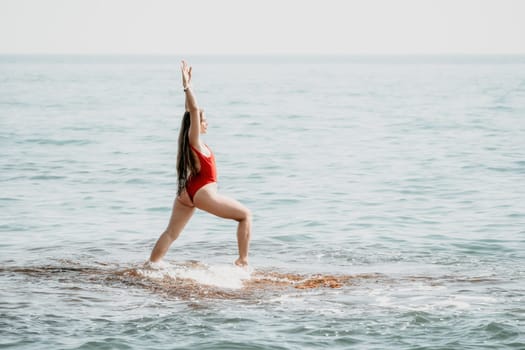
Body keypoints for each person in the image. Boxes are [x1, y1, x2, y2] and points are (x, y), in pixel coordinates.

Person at [149, 60, 252, 267]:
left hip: (187, 192)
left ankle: (152, 264)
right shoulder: (194, 141)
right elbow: (194, 110)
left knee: (171, 233)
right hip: (203, 192)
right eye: (204, 121)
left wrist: (190, 86)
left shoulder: (195, 143)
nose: (206, 123)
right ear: (196, 125)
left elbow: (190, 111)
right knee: (245, 216)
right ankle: (243, 261)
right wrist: (186, 86)